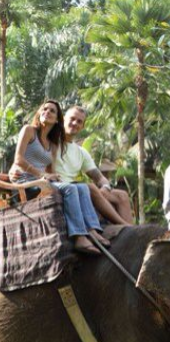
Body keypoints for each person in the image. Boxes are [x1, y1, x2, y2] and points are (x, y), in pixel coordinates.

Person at [8, 100, 108, 255]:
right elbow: (18, 160)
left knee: (81, 187)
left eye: (52, 111)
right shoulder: (29, 131)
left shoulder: (52, 144)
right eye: (44, 109)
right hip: (24, 182)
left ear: (56, 120)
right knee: (69, 188)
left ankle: (92, 230)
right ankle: (79, 237)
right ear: (39, 113)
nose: (47, 112)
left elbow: (50, 170)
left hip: (40, 182)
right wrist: (42, 175)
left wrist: (53, 177)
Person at [56, 106, 134, 225]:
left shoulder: (81, 152)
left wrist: (105, 188)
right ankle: (124, 225)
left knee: (121, 195)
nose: (75, 123)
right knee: (90, 187)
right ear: (63, 119)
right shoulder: (51, 142)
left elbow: (100, 178)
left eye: (79, 121)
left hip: (78, 190)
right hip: (61, 188)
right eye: (72, 119)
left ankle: (131, 232)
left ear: (83, 126)